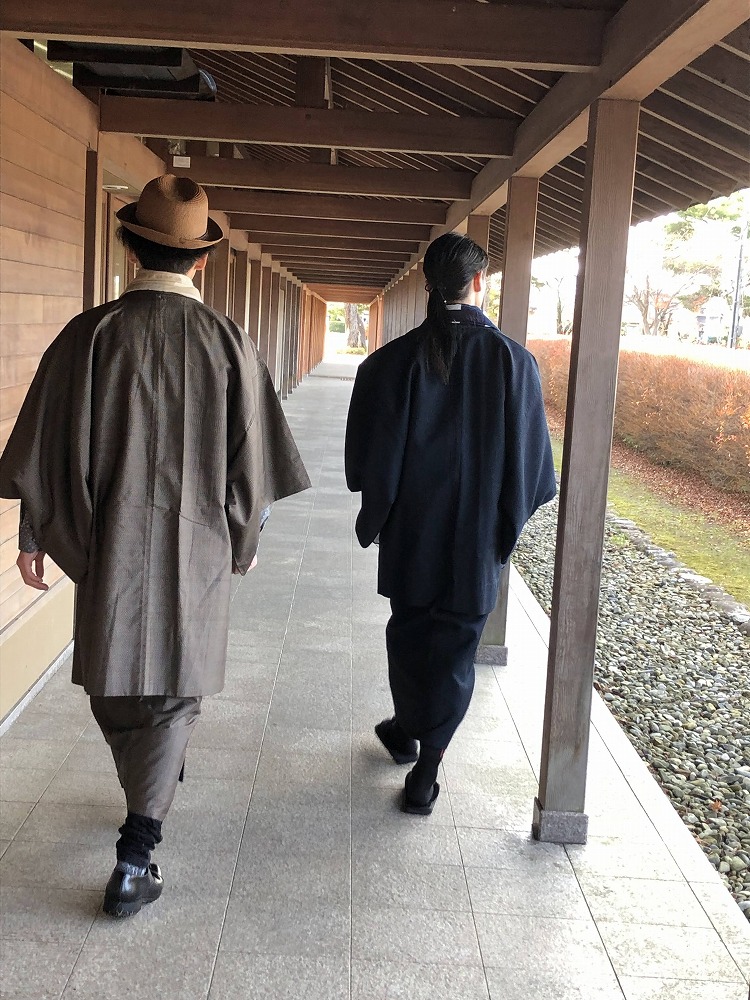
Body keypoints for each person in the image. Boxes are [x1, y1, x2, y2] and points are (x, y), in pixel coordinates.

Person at [0, 175, 310, 916]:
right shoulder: (229, 342)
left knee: (119, 685)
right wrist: (245, 534)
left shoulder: (89, 334)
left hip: (107, 541)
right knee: (169, 691)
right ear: (200, 259)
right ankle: (148, 809)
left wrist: (35, 532)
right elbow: (253, 460)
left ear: (131, 245)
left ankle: (138, 847)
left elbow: (45, 448)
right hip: (198, 543)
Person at [345, 232, 556, 815]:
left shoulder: (390, 362)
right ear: (479, 281)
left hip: (411, 535)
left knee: (410, 635)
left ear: (427, 283)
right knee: (457, 651)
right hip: (475, 540)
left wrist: (380, 508)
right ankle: (425, 768)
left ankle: (407, 731)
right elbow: (533, 468)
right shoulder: (514, 362)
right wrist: (503, 522)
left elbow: (366, 457)